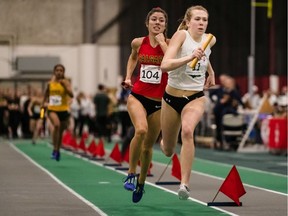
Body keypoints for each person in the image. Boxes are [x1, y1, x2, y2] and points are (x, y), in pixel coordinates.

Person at [159, 5, 216, 200]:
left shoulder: (210, 39)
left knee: (188, 131)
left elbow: (204, 54)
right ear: (188, 21)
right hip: (171, 97)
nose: (201, 23)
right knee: (167, 150)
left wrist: (211, 71)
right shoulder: (181, 36)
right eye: (198, 19)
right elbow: (164, 66)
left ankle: (184, 184)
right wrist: (189, 57)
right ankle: (165, 141)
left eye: (205, 19)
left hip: (195, 97)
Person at [121, 7, 169, 203]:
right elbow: (133, 57)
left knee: (148, 147)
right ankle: (131, 173)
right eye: (154, 20)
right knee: (140, 130)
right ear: (147, 23)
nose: (157, 23)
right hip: (138, 96)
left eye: (161, 21)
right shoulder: (138, 42)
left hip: (159, 102)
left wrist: (163, 43)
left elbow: (172, 61)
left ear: (165, 25)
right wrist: (128, 77)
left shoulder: (171, 43)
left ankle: (141, 182)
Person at [42, 64, 74, 161]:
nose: (59, 72)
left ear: (63, 72)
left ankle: (57, 150)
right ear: (54, 72)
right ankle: (54, 149)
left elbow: (71, 95)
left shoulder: (66, 82)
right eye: (57, 70)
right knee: (56, 125)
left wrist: (65, 86)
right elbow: (46, 94)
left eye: (61, 70)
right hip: (52, 109)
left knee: (60, 132)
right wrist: (43, 103)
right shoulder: (50, 83)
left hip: (63, 110)